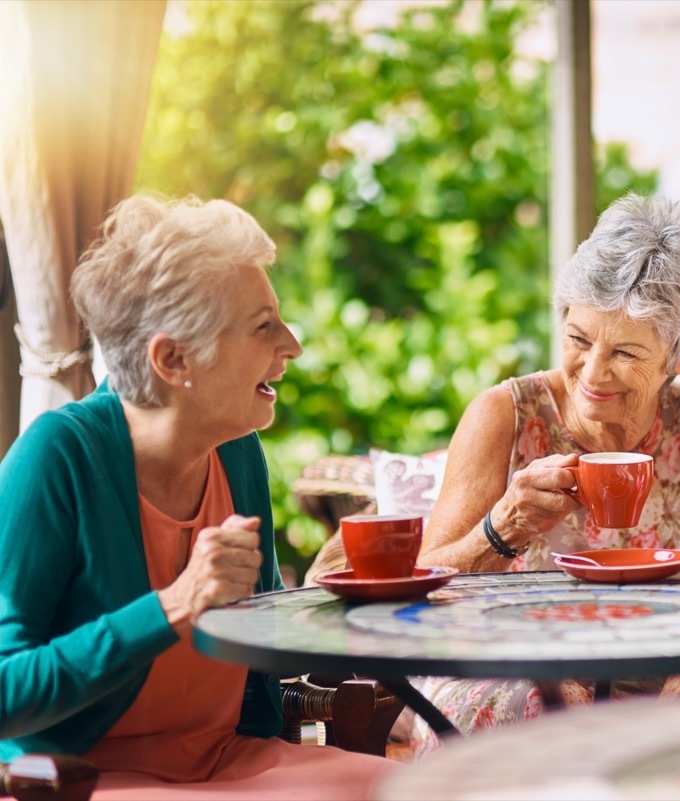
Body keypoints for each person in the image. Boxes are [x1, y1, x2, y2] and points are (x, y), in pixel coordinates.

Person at [0, 195, 397, 799]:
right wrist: (172, 606)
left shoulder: (236, 450)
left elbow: (258, 640)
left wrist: (354, 603)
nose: (291, 345)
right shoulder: (57, 457)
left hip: (231, 762)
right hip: (86, 777)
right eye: (264, 326)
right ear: (173, 358)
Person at [395, 193, 680, 754]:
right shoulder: (504, 414)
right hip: (508, 675)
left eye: (626, 353)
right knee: (551, 718)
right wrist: (502, 527)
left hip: (668, 689)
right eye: (579, 339)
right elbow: (415, 590)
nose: (593, 371)